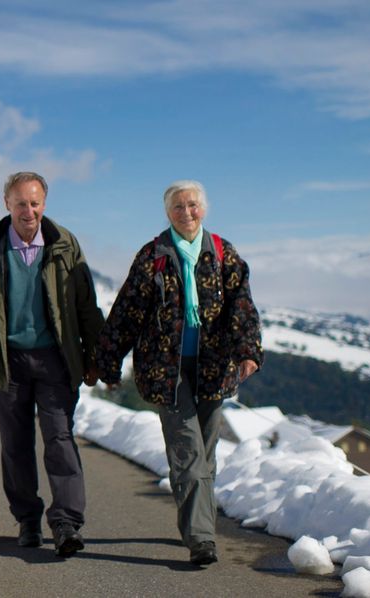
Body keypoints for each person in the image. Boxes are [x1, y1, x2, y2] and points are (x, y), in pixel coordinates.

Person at [95, 180, 262, 567]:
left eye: (192, 206)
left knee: (205, 453)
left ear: (203, 209)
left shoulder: (222, 253)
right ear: (167, 213)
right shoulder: (153, 255)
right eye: (177, 207)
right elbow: (128, 311)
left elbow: (242, 305)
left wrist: (248, 350)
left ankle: (195, 520)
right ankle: (202, 538)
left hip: (213, 368)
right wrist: (108, 359)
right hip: (165, 370)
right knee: (187, 453)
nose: (186, 213)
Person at [0, 171, 105, 557]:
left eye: (34, 203)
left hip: (56, 360)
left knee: (60, 439)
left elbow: (87, 308)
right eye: (20, 203)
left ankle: (67, 523)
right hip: (7, 363)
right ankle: (27, 521)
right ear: (7, 204)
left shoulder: (65, 244)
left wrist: (95, 359)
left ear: (44, 204)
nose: (28, 210)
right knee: (16, 446)